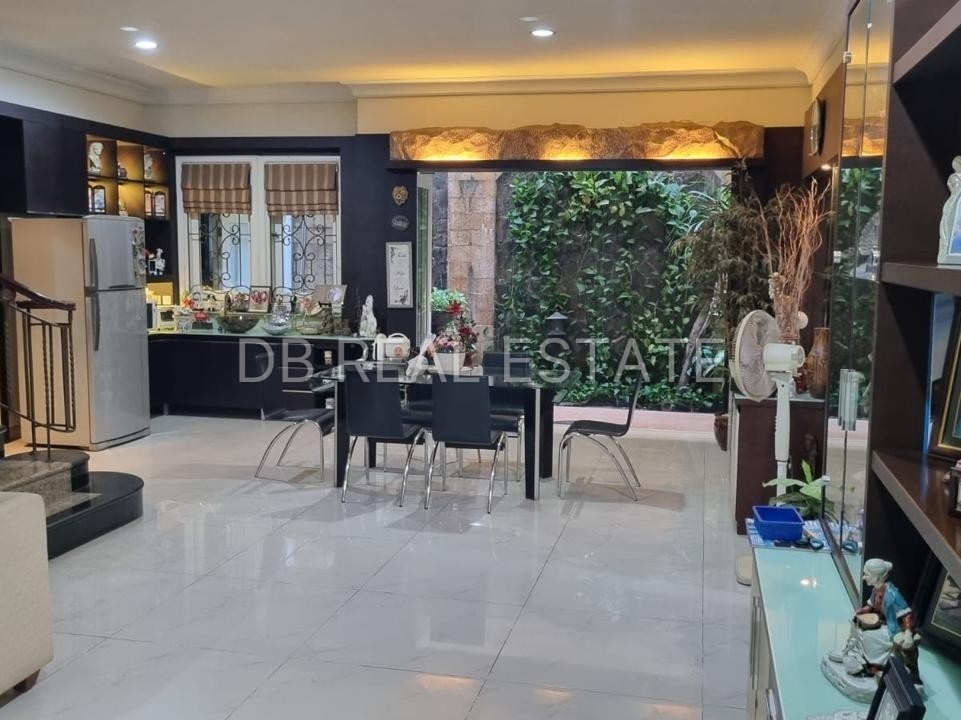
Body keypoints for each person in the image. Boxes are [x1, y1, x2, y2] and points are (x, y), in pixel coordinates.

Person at [829, 558, 922, 684]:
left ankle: (873, 666)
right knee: (856, 626)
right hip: (881, 623)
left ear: (877, 576)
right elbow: (870, 606)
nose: (863, 577)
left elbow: (907, 616)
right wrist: (860, 612)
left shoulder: (892, 595)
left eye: (866, 574)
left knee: (869, 636)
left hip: (893, 629)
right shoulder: (876, 589)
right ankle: (849, 653)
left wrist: (908, 635)